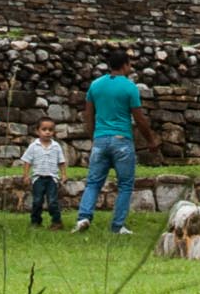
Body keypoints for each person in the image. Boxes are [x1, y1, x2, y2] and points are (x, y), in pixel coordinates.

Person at [74, 51, 144, 234]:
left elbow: (89, 113)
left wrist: (93, 134)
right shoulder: (130, 88)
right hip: (122, 139)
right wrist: (150, 139)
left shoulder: (95, 86)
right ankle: (118, 225)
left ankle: (83, 217)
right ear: (125, 65)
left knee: (93, 182)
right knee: (125, 185)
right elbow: (138, 116)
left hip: (100, 138)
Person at [22, 119, 66, 225]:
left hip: (52, 179)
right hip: (38, 178)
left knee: (52, 201)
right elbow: (27, 161)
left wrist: (64, 174)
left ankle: (56, 222)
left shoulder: (56, 146)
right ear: (37, 131)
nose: (47, 132)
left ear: (54, 132)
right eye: (44, 129)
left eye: (50, 130)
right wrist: (26, 175)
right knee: (37, 201)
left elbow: (61, 162)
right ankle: (35, 221)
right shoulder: (33, 146)